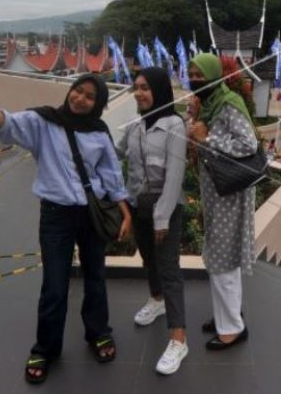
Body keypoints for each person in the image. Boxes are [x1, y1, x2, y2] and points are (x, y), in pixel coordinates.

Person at [0, 72, 132, 384]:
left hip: (92, 213)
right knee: (54, 284)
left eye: (89, 96)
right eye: (77, 91)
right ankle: (46, 348)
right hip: (56, 215)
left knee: (95, 277)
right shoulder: (44, 122)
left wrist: (125, 210)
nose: (80, 99)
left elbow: (110, 173)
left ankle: (98, 332)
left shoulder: (98, 130)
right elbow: (7, 124)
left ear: (99, 104)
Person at [116, 68, 188, 374]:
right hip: (138, 206)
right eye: (136, 88)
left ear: (158, 89)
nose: (139, 93)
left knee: (169, 268)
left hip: (166, 208)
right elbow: (112, 152)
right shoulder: (134, 127)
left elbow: (174, 176)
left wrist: (162, 218)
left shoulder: (175, 125)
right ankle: (156, 301)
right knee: (148, 260)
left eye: (145, 88)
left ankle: (179, 339)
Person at [187, 53, 256, 350]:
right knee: (221, 257)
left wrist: (206, 139)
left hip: (229, 194)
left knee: (223, 260)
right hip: (216, 193)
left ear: (215, 75)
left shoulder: (228, 104)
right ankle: (225, 315)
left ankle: (232, 328)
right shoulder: (211, 104)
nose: (195, 80)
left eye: (200, 75)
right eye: (191, 74)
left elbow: (248, 144)